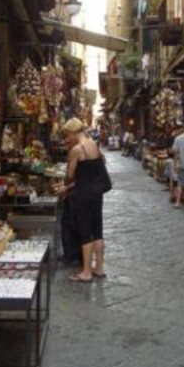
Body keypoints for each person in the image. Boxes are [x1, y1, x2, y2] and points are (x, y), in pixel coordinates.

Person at [58, 118, 106, 282]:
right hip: (96, 193)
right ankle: (99, 268)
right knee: (97, 230)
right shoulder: (93, 144)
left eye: (67, 135)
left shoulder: (77, 150)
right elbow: (92, 172)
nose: (67, 139)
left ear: (72, 132)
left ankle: (86, 272)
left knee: (85, 231)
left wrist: (65, 187)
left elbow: (71, 176)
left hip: (83, 195)